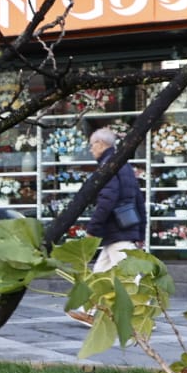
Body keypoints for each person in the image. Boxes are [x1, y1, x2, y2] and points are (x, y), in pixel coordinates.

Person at [66, 126, 145, 325]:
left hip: (117, 230)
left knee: (128, 274)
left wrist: (92, 229)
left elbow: (107, 200)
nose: (91, 150)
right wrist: (141, 231)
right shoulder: (123, 165)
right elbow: (139, 200)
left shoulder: (108, 166)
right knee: (101, 273)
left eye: (92, 145)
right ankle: (91, 312)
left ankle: (140, 311)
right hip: (123, 228)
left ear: (101, 145)